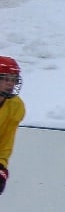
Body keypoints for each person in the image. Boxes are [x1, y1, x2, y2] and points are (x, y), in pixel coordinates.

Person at [0, 56, 22, 197]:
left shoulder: (16, 106)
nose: (10, 84)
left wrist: (1, 167)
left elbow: (6, 142)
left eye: (13, 79)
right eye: (6, 79)